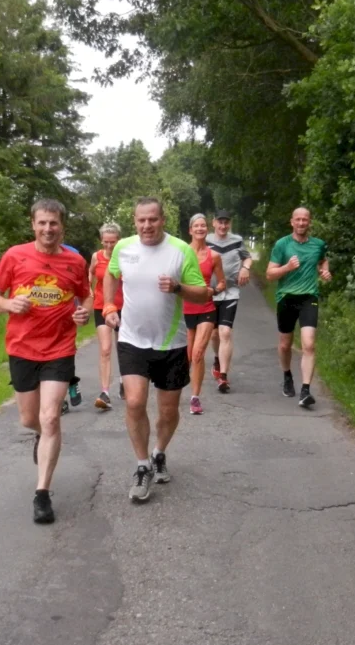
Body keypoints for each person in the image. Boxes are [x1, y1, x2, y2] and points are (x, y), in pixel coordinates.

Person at [0, 200, 91, 524]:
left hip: (59, 348)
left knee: (50, 419)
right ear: (33, 224)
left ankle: (42, 493)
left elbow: (85, 294)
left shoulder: (74, 261)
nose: (48, 229)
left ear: (62, 226)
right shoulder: (15, 256)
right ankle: (39, 437)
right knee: (29, 419)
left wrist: (83, 312)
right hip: (21, 347)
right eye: (42, 223)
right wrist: (7, 303)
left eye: (54, 224)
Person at [102, 197, 211, 502]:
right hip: (132, 339)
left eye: (153, 219)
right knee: (135, 402)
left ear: (163, 219)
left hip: (171, 343)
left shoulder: (181, 250)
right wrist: (110, 304)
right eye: (141, 220)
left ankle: (159, 452)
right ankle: (141, 466)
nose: (147, 225)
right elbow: (110, 274)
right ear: (134, 222)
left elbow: (203, 295)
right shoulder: (123, 248)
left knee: (168, 411)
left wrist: (178, 287)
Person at [265, 207, 332, 409]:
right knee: (285, 344)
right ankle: (287, 375)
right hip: (286, 298)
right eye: (298, 220)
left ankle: (305, 390)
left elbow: (322, 260)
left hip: (309, 298)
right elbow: (269, 275)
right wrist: (287, 268)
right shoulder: (282, 245)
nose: (302, 223)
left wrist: (325, 272)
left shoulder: (318, 245)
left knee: (309, 345)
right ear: (292, 222)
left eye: (305, 220)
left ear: (309, 222)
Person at [206, 209, 253, 393]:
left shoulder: (237, 240)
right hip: (210, 292)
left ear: (229, 224)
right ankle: (217, 359)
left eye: (226, 222)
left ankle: (223, 377)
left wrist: (246, 268)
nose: (223, 226)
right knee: (214, 334)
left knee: (225, 332)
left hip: (231, 292)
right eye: (220, 222)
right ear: (214, 223)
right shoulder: (206, 240)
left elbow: (247, 257)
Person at [183, 214, 226, 415]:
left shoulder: (214, 256)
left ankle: (195, 398)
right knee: (189, 355)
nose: (200, 229)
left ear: (206, 230)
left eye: (203, 226)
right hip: (186, 309)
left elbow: (222, 282)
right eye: (196, 226)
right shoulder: (182, 253)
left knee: (199, 353)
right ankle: (179, 387)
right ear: (190, 230)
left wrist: (214, 291)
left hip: (207, 308)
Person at [89, 223, 125, 410]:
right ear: (101, 241)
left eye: (113, 242)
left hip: (123, 307)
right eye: (106, 242)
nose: (109, 246)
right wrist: (89, 289)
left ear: (119, 240)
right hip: (101, 306)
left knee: (123, 347)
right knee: (105, 348)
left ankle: (123, 382)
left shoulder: (125, 257)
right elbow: (91, 273)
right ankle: (105, 392)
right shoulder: (97, 256)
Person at [60, 243, 84, 415]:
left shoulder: (73, 253)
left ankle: (72, 383)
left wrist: (79, 309)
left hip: (68, 313)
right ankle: (59, 400)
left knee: (64, 353)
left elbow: (80, 286)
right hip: (40, 315)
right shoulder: (33, 252)